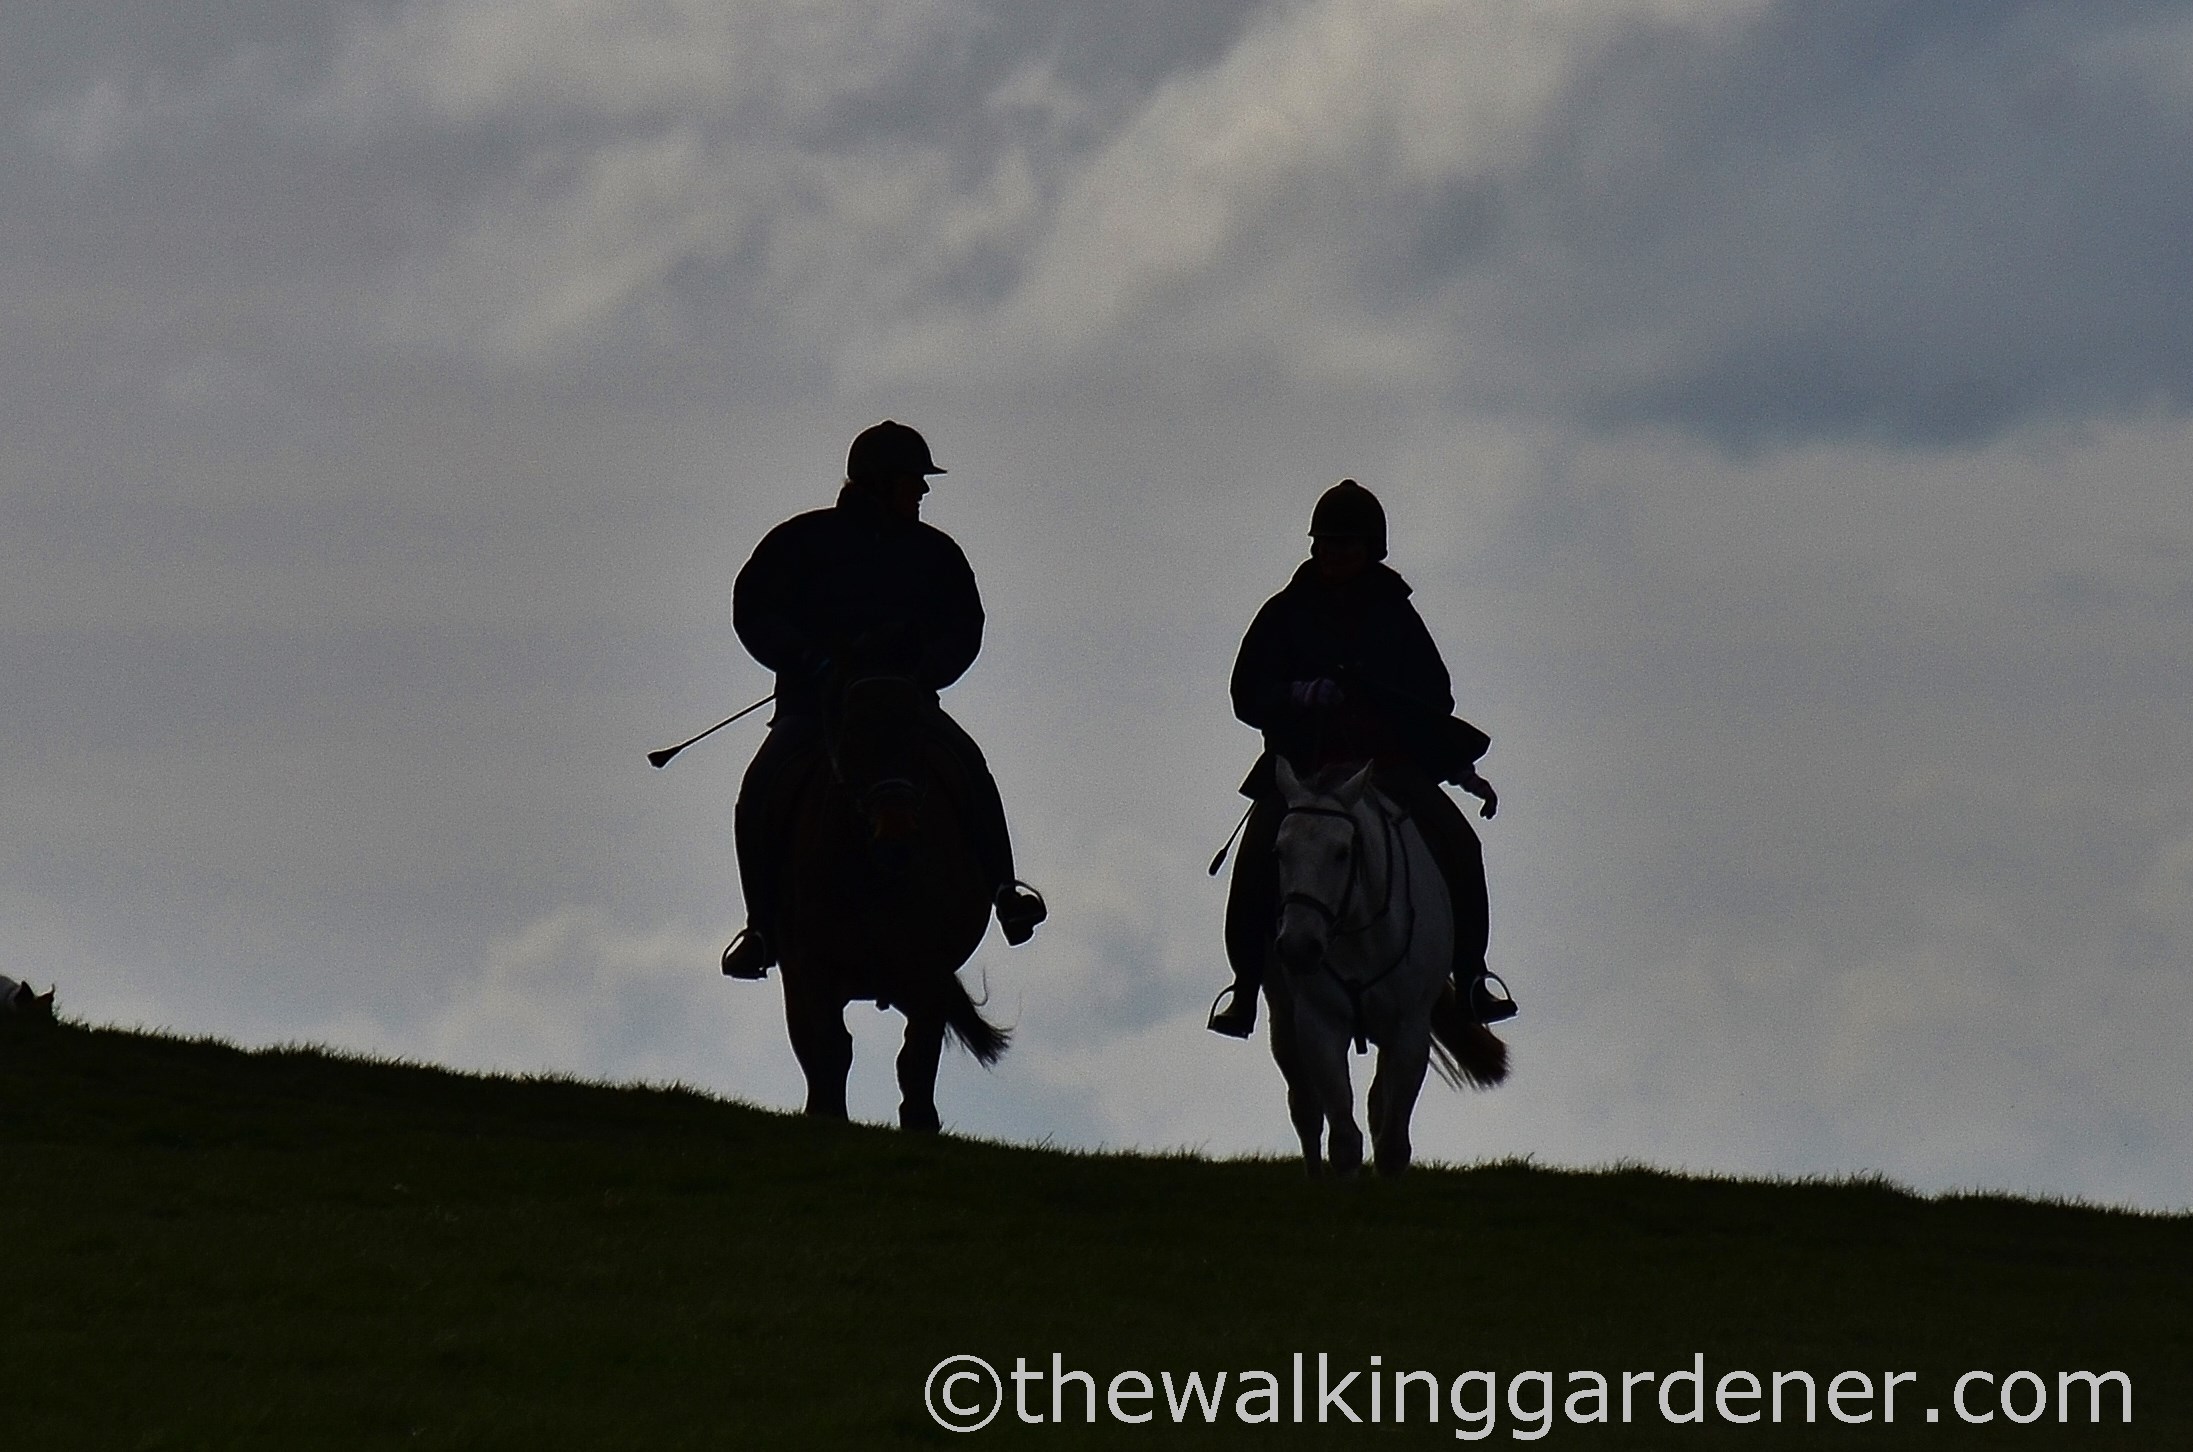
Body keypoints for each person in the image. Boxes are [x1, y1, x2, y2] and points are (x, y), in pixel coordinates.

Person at [720, 420, 1046, 979]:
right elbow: (753, 610)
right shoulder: (800, 542)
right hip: (815, 710)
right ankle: (761, 927)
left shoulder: (936, 553)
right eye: (912, 480)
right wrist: (807, 661)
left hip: (904, 708)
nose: (922, 490)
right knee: (761, 787)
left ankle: (1003, 891)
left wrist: (922, 674)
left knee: (970, 768)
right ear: (878, 481)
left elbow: (965, 626)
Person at [1207, 478, 1513, 1038]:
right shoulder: (1283, 612)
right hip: (1303, 771)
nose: (1333, 553)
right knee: (1255, 859)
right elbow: (1246, 692)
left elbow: (1433, 698)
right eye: (1325, 542)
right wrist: (1298, 695)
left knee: (1462, 845)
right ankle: (1246, 985)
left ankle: (1472, 976)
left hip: (1385, 768)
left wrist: (1455, 767)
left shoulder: (1397, 616)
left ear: (1371, 549)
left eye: (1345, 544)